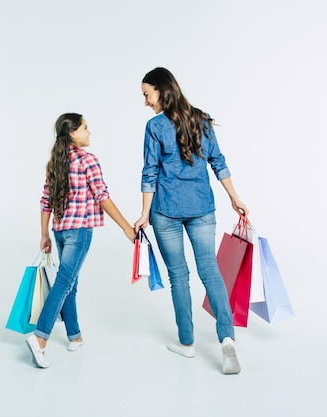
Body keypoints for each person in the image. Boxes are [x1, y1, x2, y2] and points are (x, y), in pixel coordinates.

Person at [134, 67, 249, 375]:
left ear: (161, 90)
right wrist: (234, 197)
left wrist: (144, 213)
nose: (145, 102)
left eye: (147, 95)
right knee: (210, 271)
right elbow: (218, 162)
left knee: (179, 276)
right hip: (202, 207)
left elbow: (150, 172)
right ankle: (227, 341)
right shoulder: (201, 119)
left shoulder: (155, 126)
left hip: (166, 211)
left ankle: (187, 343)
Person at [26, 112, 136, 369]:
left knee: (69, 282)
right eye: (85, 128)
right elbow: (103, 197)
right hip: (80, 231)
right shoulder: (88, 160)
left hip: (59, 230)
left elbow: (46, 203)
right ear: (73, 133)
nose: (89, 132)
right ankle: (40, 338)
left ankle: (74, 336)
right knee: (65, 282)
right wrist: (126, 228)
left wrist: (44, 234)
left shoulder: (54, 163)